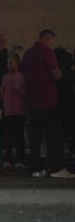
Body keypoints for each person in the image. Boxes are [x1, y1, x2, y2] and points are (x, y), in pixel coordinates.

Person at [21, 29, 75, 178]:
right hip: (47, 100)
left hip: (32, 101)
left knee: (35, 137)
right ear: (47, 38)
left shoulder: (28, 53)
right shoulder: (47, 52)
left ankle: (36, 169)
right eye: (52, 41)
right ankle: (57, 168)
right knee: (54, 136)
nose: (53, 44)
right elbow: (56, 75)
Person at [0, 53, 26, 170]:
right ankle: (7, 160)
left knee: (19, 136)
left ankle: (20, 160)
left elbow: (26, 93)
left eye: (11, 62)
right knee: (7, 136)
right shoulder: (5, 77)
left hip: (19, 110)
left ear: (17, 63)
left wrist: (19, 90)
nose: (9, 65)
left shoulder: (22, 77)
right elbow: (2, 94)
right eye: (7, 62)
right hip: (8, 110)